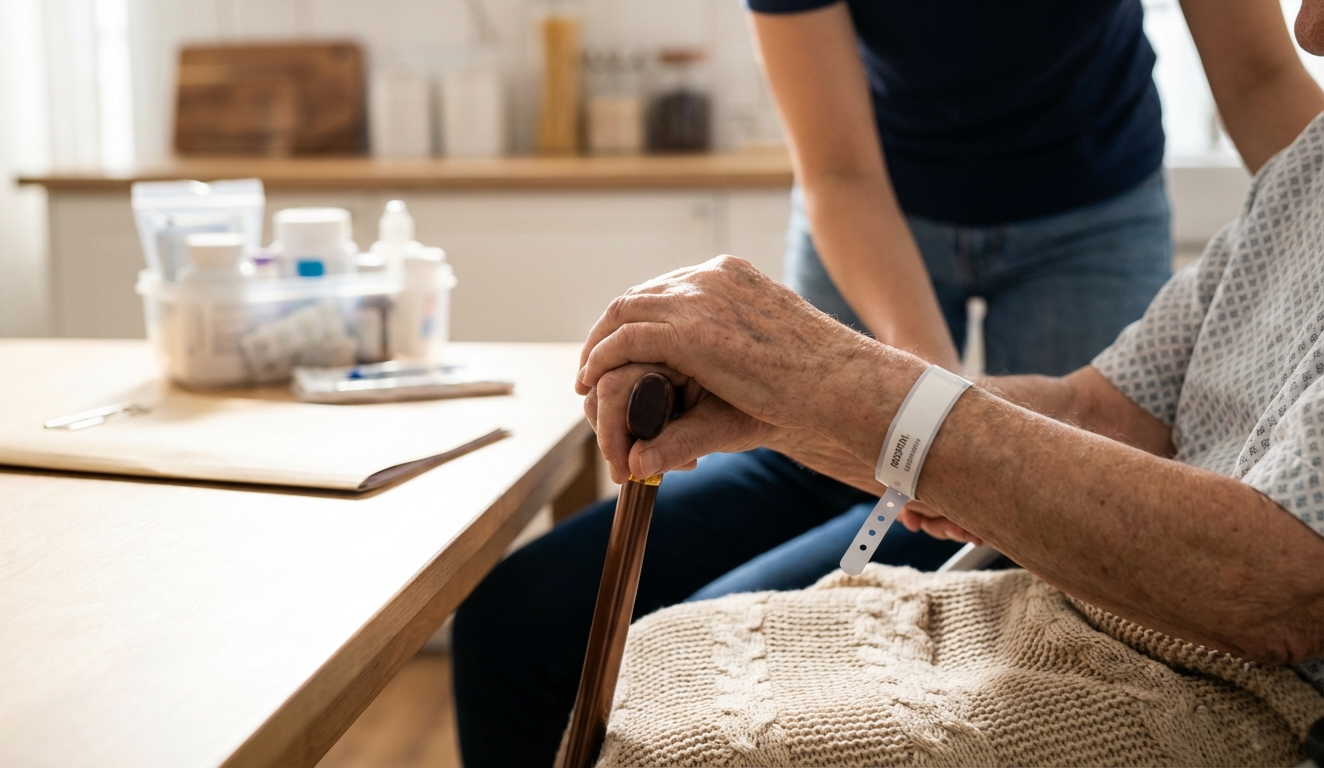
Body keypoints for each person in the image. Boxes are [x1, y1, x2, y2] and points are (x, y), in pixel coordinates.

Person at [452, 2, 1324, 765]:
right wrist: (818, 403)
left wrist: (872, 398)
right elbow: (1098, 410)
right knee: (526, 622)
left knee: (697, 651)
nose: (1306, 27)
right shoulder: (1296, 193)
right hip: (875, 200)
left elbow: (1275, 581)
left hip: (1087, 203)